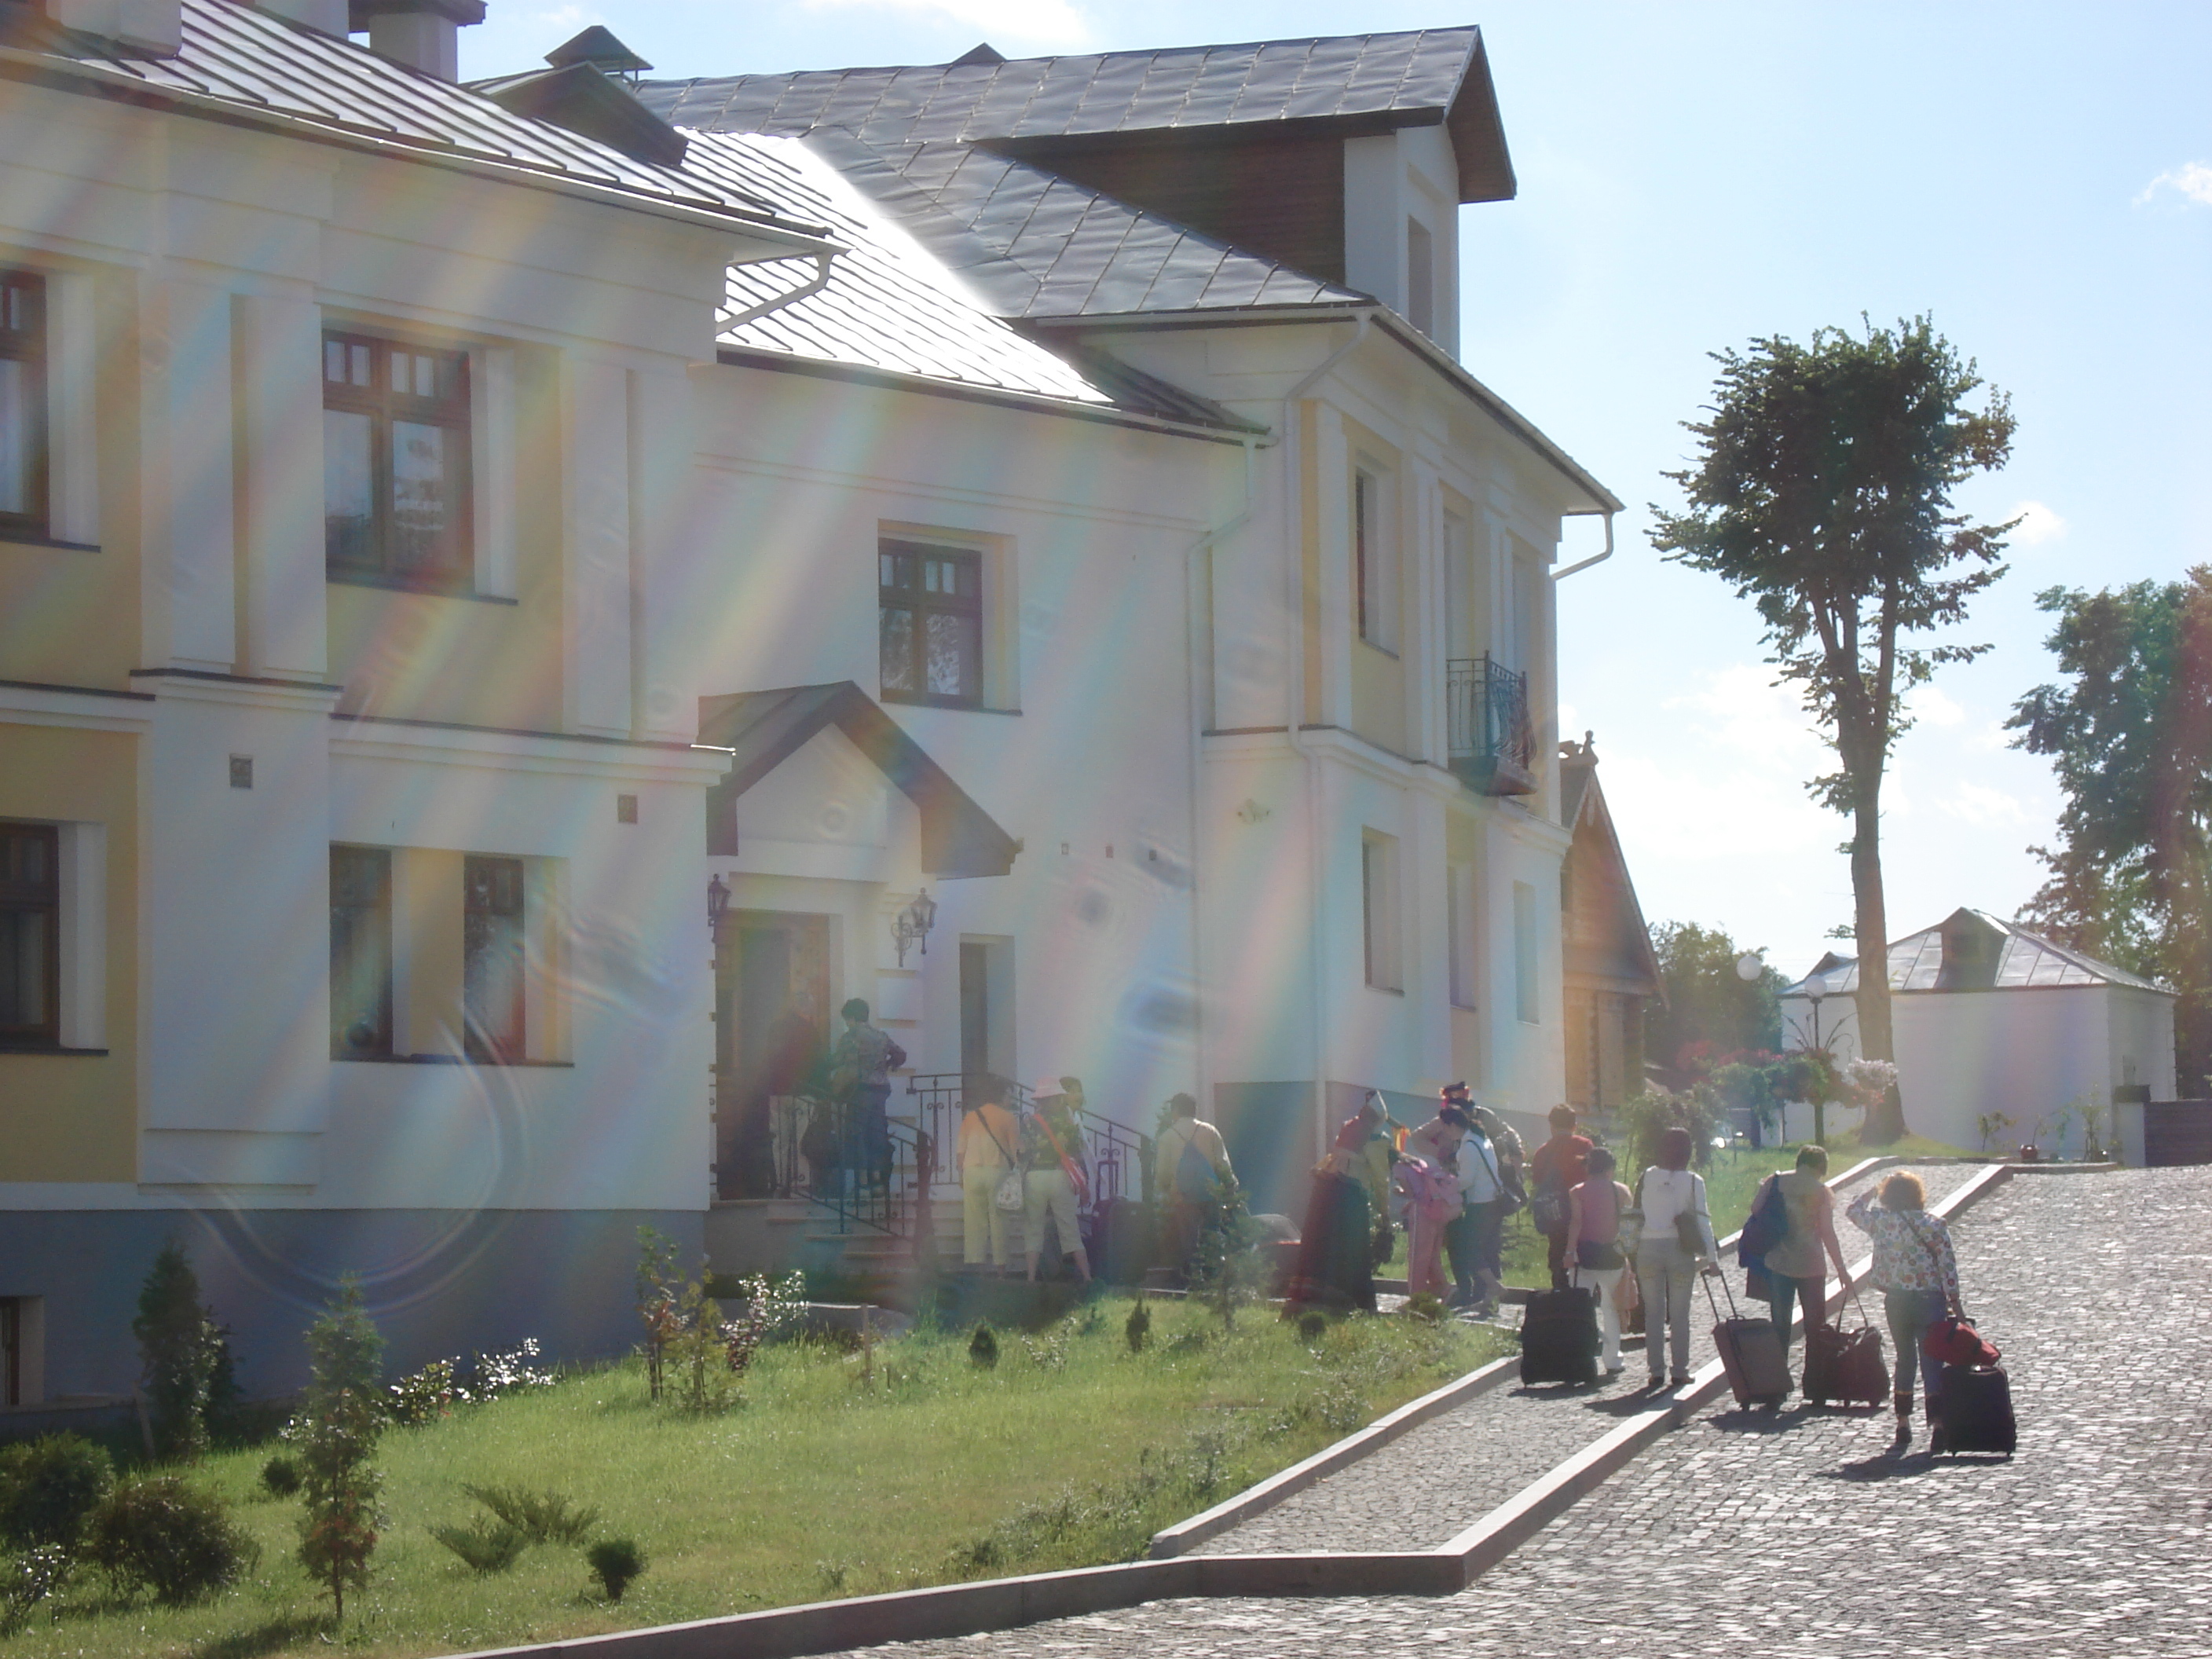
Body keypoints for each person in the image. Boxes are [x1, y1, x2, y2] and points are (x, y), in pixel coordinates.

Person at [1846, 1170, 1961, 1448]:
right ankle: (1937, 1425)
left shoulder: (1882, 1223)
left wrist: (1874, 1189)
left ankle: (1902, 1422)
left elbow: (1853, 1210)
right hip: (1930, 1300)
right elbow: (1947, 1268)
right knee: (1932, 1361)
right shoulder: (1934, 1224)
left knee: (1905, 1359)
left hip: (1896, 1300)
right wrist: (1956, 1306)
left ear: (1889, 1196)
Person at [1288, 1092, 1393, 1312]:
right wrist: (1384, 1212)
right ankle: (1355, 1300)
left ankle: (1312, 1296)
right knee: (1354, 1248)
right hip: (1350, 1195)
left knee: (1320, 1243)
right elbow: (1380, 1177)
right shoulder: (1376, 1138)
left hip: (1325, 1190)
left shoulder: (1348, 1129)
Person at [1633, 1126, 1716, 1389]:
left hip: (1647, 1248)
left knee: (1653, 1313)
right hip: (1680, 1250)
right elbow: (1703, 1222)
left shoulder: (1646, 1176)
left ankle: (1655, 1371)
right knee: (1680, 1314)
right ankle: (1680, 1370)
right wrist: (1712, 1258)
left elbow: (1635, 1215)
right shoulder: (1694, 1181)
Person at [1760, 1144, 1854, 1372]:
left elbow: (1755, 1210)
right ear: (1821, 1166)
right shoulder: (1820, 1190)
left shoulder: (1774, 1181)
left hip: (1779, 1262)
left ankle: (1777, 1385)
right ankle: (1816, 1384)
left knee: (1780, 1325)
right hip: (1812, 1265)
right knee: (1815, 1327)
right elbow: (1827, 1232)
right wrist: (1841, 1269)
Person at [1154, 1093, 1235, 1281]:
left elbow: (1162, 1174)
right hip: (1210, 1192)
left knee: (1188, 1237)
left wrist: (1166, 1190)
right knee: (1212, 1232)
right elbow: (1223, 1165)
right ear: (1195, 1110)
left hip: (1182, 1196)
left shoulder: (1167, 1137)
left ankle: (1192, 1277)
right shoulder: (1210, 1131)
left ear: (1175, 1111)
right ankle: (1214, 1274)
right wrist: (1230, 1185)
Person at [1568, 1145, 1633, 1376]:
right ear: (1610, 1168)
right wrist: (1627, 1252)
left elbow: (1576, 1223)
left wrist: (1569, 1253)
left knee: (1581, 1309)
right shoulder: (1622, 1191)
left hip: (1585, 1256)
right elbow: (1629, 1226)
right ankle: (1613, 1360)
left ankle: (1581, 1358)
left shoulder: (1577, 1191)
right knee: (1611, 1309)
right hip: (1613, 1257)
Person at [1022, 1079, 1091, 1283]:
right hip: (1060, 1176)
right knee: (1070, 1229)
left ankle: (1031, 1278)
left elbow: (1023, 1150)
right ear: (1058, 1098)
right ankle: (1087, 1277)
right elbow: (1077, 1154)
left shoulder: (1029, 1121)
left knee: (1033, 1229)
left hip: (1035, 1177)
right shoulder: (1068, 1123)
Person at [1401, 1105, 1469, 1301]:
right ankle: (1444, 1289)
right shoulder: (1447, 1127)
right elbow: (1419, 1136)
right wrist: (1441, 1151)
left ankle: (1420, 1295)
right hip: (1445, 1197)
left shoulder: (1408, 1166)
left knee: (1422, 1252)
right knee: (1432, 1252)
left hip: (1436, 1202)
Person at [828, 998, 894, 1196]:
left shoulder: (851, 1037)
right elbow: (900, 1055)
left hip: (860, 1090)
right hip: (881, 1090)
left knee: (858, 1135)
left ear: (852, 1018)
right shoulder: (881, 1036)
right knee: (877, 1135)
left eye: (847, 1020)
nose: (847, 1024)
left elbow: (836, 1060)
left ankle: (862, 1182)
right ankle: (877, 1182)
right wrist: (885, 1066)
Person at [1447, 1108, 1508, 1317]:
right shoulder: (1482, 1139)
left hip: (1480, 1204)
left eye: (1447, 1129)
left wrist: (1445, 1186)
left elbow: (1466, 1180)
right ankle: (1491, 1302)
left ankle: (1493, 1287)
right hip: (1494, 1201)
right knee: (1490, 1251)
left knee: (1469, 1250)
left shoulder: (1468, 1147)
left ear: (1453, 1126)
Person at [955, 1075, 1020, 1273]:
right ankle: (1001, 1269)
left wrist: (960, 1174)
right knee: (999, 1222)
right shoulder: (1008, 1118)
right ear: (1001, 1095)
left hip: (972, 1171)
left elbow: (960, 1150)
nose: (1011, 1100)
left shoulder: (971, 1117)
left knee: (974, 1223)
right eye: (1009, 1095)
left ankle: (976, 1266)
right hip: (997, 1172)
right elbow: (1015, 1151)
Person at [1530, 1105, 1595, 1290]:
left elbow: (1537, 1183)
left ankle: (1560, 1300)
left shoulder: (1542, 1152)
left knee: (1558, 1257)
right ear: (1575, 1125)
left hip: (1555, 1214)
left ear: (1551, 1125)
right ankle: (1584, 1301)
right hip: (1582, 1212)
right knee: (1583, 1260)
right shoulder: (1585, 1145)